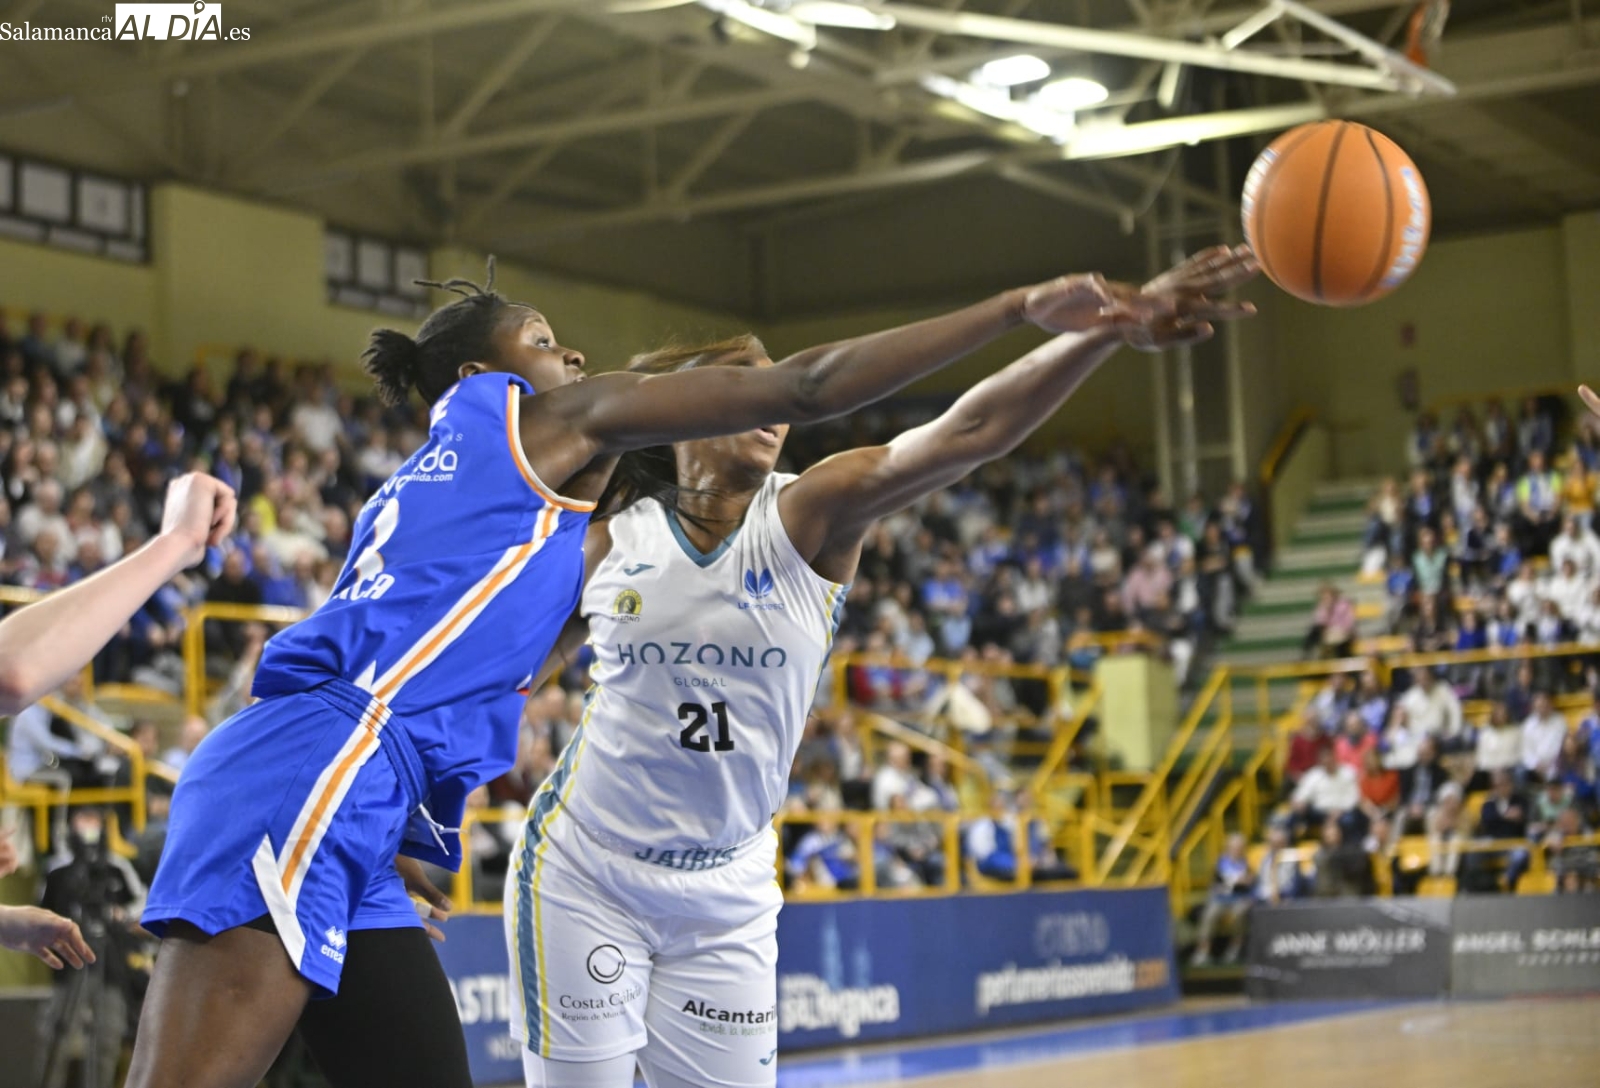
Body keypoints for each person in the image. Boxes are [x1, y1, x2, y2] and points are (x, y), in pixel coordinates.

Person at [127, 256, 1233, 1088]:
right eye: (546, 340)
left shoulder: (512, 507)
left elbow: (462, 673)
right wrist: (1026, 305)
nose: (571, 359)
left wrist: (413, 843)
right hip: (446, 820)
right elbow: (810, 383)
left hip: (630, 862)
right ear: (483, 376)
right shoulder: (559, 461)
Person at [504, 247, 1258, 1087]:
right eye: (746, 383)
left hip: (728, 887)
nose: (772, 402)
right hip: (587, 869)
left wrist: (1104, 331)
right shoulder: (607, 543)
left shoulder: (812, 512)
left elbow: (968, 433)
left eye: (778, 386)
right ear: (686, 408)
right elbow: (498, 681)